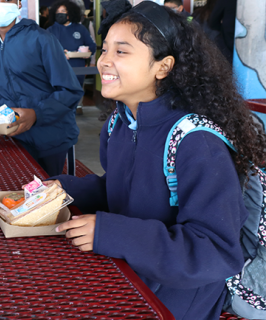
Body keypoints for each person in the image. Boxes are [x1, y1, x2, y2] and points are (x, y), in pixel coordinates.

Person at [53, 2, 265, 319]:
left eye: (121, 52)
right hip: (132, 274)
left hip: (181, 298)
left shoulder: (196, 143)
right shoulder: (119, 123)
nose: (104, 62)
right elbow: (121, 191)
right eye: (104, 49)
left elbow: (214, 252)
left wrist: (111, 233)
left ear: (163, 66)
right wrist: (60, 191)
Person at [0, 0, 83, 177]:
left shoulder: (42, 39)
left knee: (53, 198)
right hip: (12, 140)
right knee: (21, 197)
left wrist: (37, 114)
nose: (0, 4)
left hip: (51, 139)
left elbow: (70, 91)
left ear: (19, 3)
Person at [47, 0, 96, 87]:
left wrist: (88, 51)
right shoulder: (50, 30)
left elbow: (92, 45)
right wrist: (59, 53)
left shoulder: (80, 28)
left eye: (63, 11)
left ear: (70, 13)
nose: (60, 14)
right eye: (57, 12)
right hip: (58, 71)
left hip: (78, 71)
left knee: (77, 96)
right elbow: (45, 49)